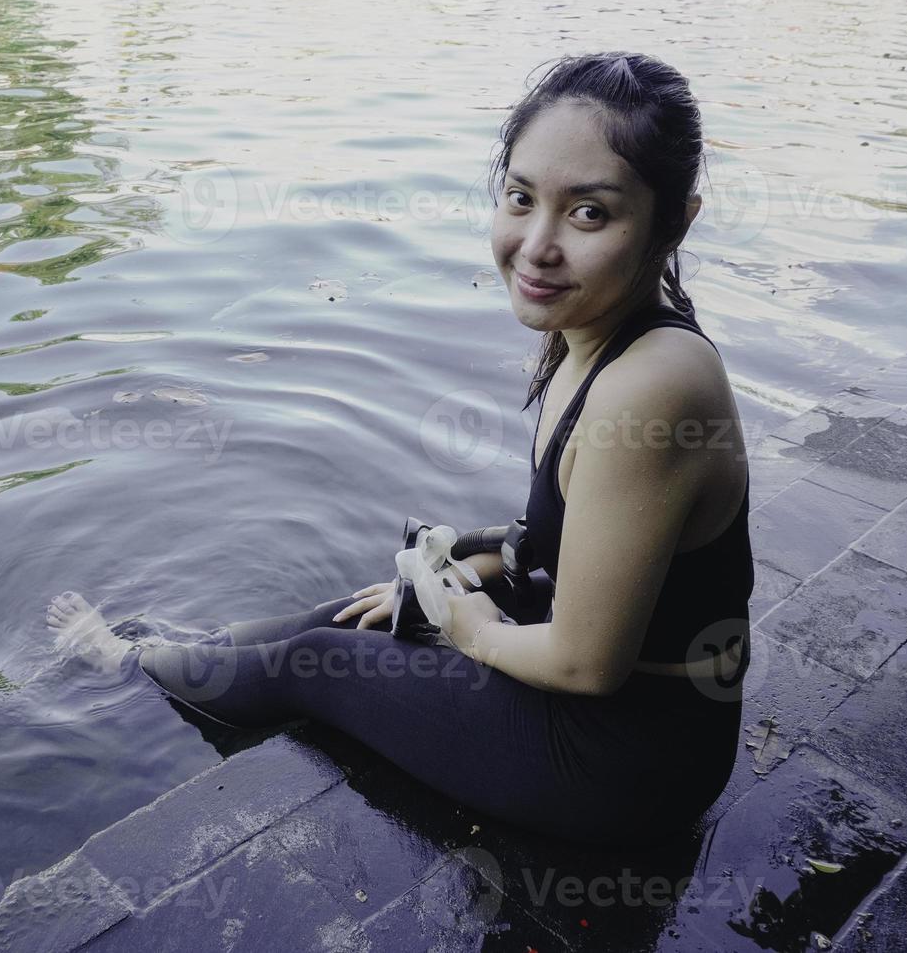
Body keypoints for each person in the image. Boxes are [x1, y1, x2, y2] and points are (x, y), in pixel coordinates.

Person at [46, 51, 754, 848]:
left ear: (672, 221)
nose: (537, 245)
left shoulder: (651, 386)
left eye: (589, 213)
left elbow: (586, 664)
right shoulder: (602, 338)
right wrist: (443, 580)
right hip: (621, 717)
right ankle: (177, 657)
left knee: (314, 660)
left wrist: (462, 621)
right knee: (359, 611)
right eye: (521, 198)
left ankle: (122, 663)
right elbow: (570, 536)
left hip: (620, 766)